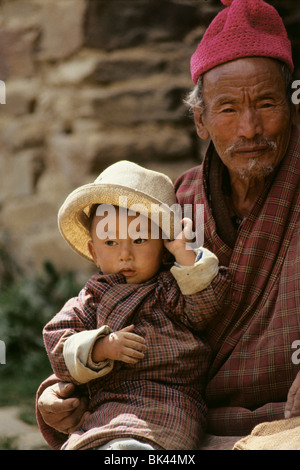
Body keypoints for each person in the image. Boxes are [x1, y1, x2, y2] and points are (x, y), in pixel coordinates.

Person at [36, 0, 300, 450]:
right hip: (173, 412)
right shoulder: (180, 203)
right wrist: (60, 390)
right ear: (200, 120)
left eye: (267, 103)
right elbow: (121, 302)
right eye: (229, 109)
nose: (250, 128)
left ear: (293, 106)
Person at [41, 160, 220, 450]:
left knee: (145, 444)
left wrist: (183, 253)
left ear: (162, 245)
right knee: (90, 443)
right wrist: (99, 348)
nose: (125, 255)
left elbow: (205, 308)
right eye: (110, 243)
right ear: (93, 252)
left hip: (169, 401)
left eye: (139, 240)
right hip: (105, 405)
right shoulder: (91, 297)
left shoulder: (171, 289)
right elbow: (56, 341)